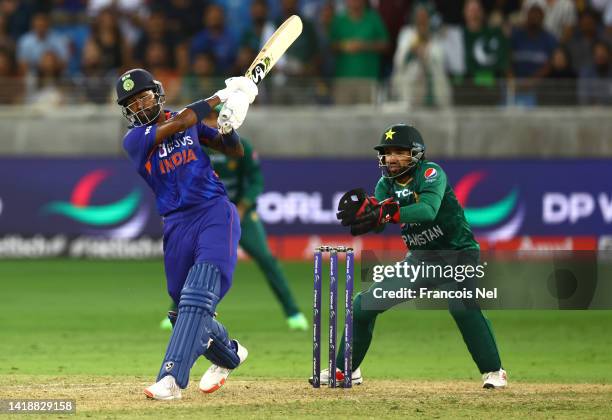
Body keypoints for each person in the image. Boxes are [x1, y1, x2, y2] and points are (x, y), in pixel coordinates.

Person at [314, 124, 507, 389]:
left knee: (462, 307)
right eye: (387, 153)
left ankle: (494, 371)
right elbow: (380, 222)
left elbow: (428, 210)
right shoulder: (385, 184)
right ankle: (345, 368)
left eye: (398, 152)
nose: (391, 158)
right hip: (421, 260)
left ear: (415, 153)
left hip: (457, 254)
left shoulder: (430, 173)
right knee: (363, 305)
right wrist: (368, 215)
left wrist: (388, 213)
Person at [116, 67, 258, 400]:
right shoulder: (134, 140)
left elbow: (234, 150)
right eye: (131, 103)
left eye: (144, 96)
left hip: (213, 213)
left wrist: (227, 124)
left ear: (158, 93)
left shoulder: (189, 119)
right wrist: (220, 97)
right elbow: (180, 124)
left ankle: (171, 379)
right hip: (176, 225)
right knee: (183, 311)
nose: (139, 106)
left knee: (198, 296)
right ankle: (230, 353)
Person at [160, 106, 308, 332]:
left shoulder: (240, 146)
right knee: (190, 261)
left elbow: (255, 181)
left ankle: (293, 313)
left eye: (214, 118)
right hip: (204, 214)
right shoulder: (194, 146)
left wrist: (242, 206)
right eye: (207, 118)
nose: (210, 123)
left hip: (241, 214)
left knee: (266, 260)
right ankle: (177, 311)